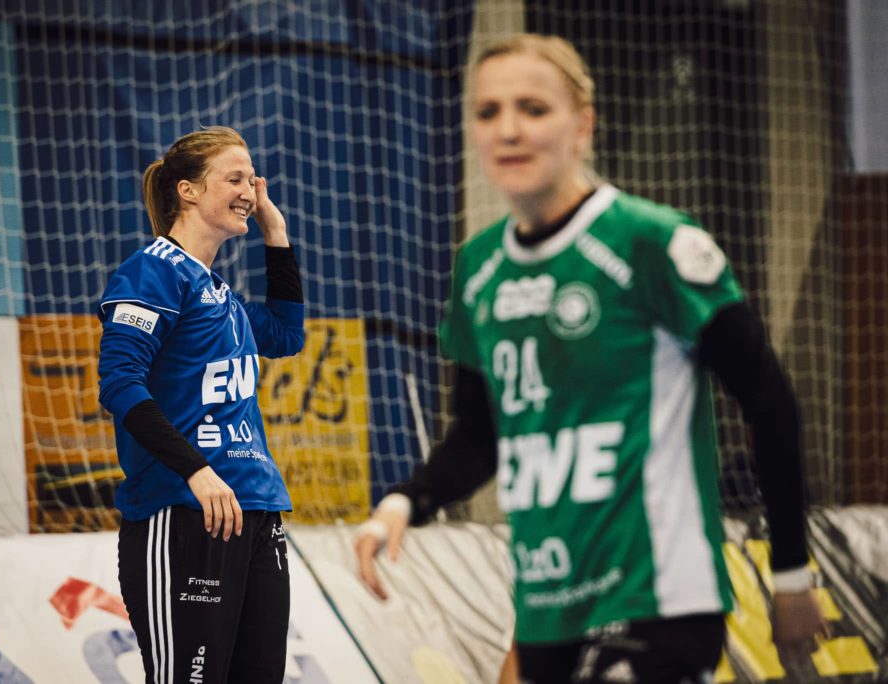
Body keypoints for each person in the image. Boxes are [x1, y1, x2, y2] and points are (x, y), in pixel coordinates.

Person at [354, 34, 826, 683]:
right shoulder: (479, 270)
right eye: (489, 112)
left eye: (533, 108)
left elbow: (769, 401)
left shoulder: (652, 241)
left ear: (582, 125)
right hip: (548, 606)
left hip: (658, 598)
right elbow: (481, 436)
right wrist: (404, 503)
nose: (509, 129)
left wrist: (792, 574)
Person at [97, 126, 305, 684]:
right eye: (235, 179)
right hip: (183, 511)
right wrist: (196, 469)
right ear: (187, 191)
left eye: (252, 180)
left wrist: (276, 232)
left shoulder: (219, 293)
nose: (249, 191)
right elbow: (119, 383)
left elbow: (286, 335)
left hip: (255, 511)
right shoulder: (154, 271)